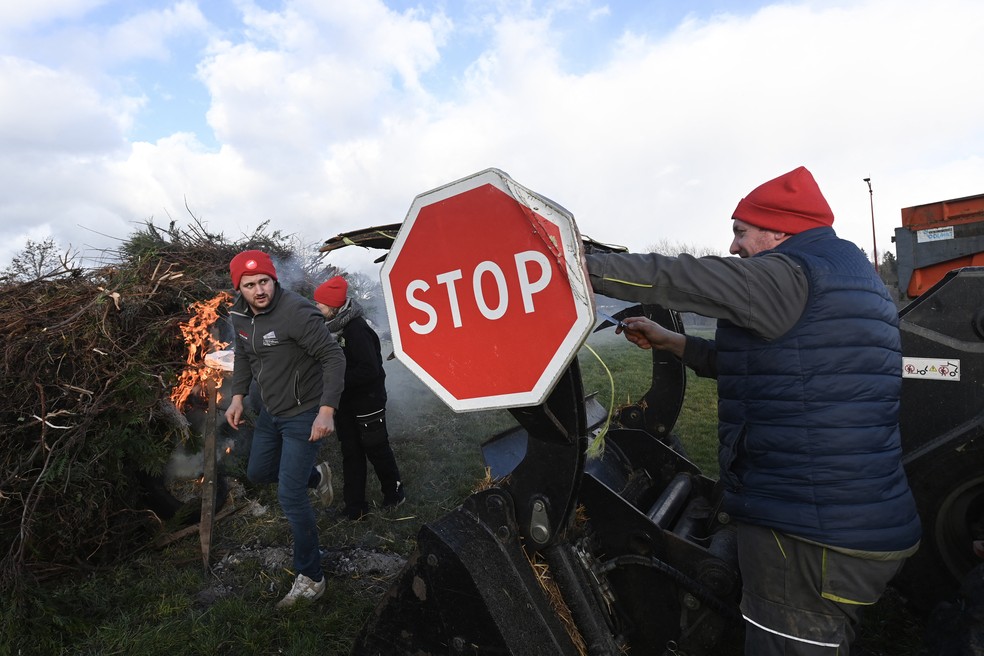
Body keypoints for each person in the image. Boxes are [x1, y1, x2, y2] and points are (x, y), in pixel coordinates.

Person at [585, 166, 921, 655]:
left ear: (780, 230)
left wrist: (570, 262)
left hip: (809, 536)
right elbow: (776, 367)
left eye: (742, 232)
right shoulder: (848, 274)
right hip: (861, 521)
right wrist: (674, 342)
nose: (735, 246)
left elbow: (679, 276)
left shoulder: (789, 274)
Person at [224, 250, 345, 609]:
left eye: (264, 281)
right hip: (270, 412)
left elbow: (333, 357)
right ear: (239, 288)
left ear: (274, 280)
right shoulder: (239, 314)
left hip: (304, 413)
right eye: (250, 285)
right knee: (259, 471)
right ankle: (315, 476)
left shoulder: (296, 312)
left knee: (289, 498)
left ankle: (312, 577)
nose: (259, 290)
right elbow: (245, 356)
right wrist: (238, 396)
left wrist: (326, 411)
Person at [313, 275, 405, 520]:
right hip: (345, 402)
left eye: (320, 304)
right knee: (351, 451)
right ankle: (355, 507)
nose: (317, 308)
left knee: (376, 448)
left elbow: (369, 369)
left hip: (368, 400)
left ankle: (395, 494)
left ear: (333, 307)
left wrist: (334, 381)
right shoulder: (332, 328)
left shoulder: (356, 330)